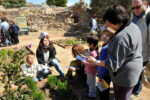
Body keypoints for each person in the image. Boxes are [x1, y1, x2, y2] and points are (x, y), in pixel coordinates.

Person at [87, 5, 143, 100]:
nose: (108, 26)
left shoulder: (121, 37)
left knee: (122, 97)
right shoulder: (133, 26)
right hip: (134, 70)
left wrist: (95, 62)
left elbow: (113, 64)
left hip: (124, 76)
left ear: (118, 21)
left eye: (109, 23)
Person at [131, 0, 150, 97]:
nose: (135, 10)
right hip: (132, 54)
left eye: (137, 7)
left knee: (138, 75)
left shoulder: (148, 17)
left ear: (145, 4)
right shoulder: (133, 15)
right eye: (133, 8)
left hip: (143, 56)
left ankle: (136, 92)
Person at [97, 27, 115, 100]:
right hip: (110, 73)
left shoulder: (105, 49)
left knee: (102, 92)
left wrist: (100, 76)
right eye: (104, 34)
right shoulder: (110, 45)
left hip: (104, 74)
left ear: (111, 37)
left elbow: (102, 65)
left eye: (108, 35)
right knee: (106, 91)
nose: (104, 36)